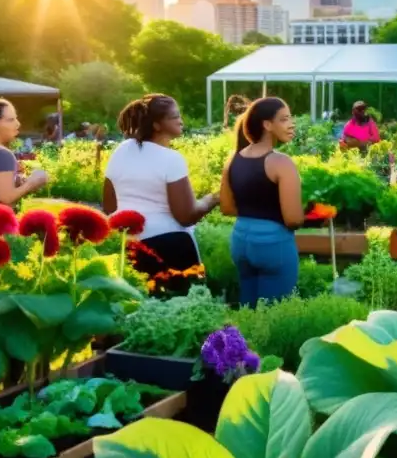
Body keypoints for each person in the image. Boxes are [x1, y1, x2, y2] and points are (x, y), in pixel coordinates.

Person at [103, 94, 218, 276]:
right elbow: (186, 216)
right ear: (156, 125)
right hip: (170, 245)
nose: (181, 121)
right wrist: (214, 198)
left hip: (129, 244)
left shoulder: (121, 150)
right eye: (175, 117)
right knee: (181, 301)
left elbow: (110, 207)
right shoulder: (171, 159)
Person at [219, 97, 303, 306]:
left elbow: (227, 208)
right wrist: (308, 216)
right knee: (275, 312)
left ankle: (244, 339)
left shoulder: (233, 160)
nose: (291, 124)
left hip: (240, 240)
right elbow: (293, 219)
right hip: (273, 243)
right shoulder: (281, 163)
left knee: (248, 308)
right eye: (284, 119)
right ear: (267, 125)